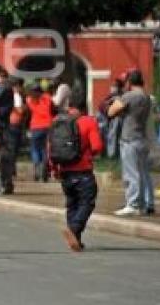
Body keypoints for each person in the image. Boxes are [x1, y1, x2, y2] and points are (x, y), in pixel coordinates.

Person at [50, 91, 104, 252]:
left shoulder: (57, 121)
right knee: (87, 202)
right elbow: (97, 147)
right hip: (83, 171)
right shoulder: (88, 121)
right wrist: (88, 155)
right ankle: (73, 229)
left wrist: (54, 168)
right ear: (84, 107)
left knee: (72, 204)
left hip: (65, 171)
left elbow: (50, 148)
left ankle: (76, 240)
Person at [108, 69, 155, 216]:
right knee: (142, 173)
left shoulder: (129, 96)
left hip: (129, 138)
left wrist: (116, 102)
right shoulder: (147, 97)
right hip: (142, 138)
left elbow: (111, 112)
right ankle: (144, 203)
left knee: (131, 174)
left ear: (129, 82)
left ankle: (133, 204)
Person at [0, 68, 16, 194]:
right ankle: (3, 183)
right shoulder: (1, 88)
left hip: (2, 126)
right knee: (1, 157)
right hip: (1, 125)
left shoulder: (5, 88)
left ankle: (5, 184)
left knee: (3, 157)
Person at [27, 83, 56, 182]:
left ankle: (36, 170)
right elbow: (53, 109)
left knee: (35, 149)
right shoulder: (48, 98)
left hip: (35, 127)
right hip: (48, 126)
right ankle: (44, 168)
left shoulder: (30, 99)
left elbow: (28, 111)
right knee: (45, 149)